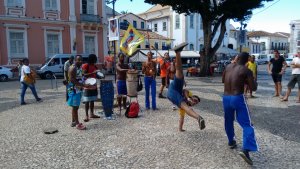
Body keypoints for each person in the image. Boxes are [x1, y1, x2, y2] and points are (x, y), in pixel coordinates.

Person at [222, 52, 258, 165]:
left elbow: (223, 80)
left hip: (226, 97)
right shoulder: (246, 70)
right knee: (247, 124)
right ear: (247, 59)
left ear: (237, 58)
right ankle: (246, 150)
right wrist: (250, 79)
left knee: (228, 120)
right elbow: (253, 87)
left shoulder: (228, 66)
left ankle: (231, 141)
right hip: (237, 97)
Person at [167, 42, 205, 131]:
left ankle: (199, 118)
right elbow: (185, 91)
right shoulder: (189, 95)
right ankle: (178, 53)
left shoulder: (184, 107)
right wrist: (188, 98)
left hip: (172, 93)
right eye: (195, 100)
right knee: (180, 73)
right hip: (176, 88)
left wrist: (180, 129)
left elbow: (181, 118)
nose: (194, 102)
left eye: (195, 103)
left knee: (185, 107)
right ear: (193, 97)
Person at [67, 55, 92, 130]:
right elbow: (72, 80)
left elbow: (81, 76)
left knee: (75, 106)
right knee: (75, 106)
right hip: (73, 89)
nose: (80, 61)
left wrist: (87, 79)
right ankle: (77, 124)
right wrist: (83, 85)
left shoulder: (79, 67)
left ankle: (73, 121)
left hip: (78, 89)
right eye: (78, 60)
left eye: (81, 60)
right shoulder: (73, 68)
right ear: (75, 60)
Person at [81, 54, 100, 122]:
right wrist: (93, 72)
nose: (96, 60)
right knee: (87, 100)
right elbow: (83, 74)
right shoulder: (86, 65)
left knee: (92, 100)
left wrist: (99, 75)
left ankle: (91, 113)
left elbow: (96, 75)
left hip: (93, 85)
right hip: (87, 85)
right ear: (92, 59)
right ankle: (86, 115)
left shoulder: (94, 66)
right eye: (95, 58)